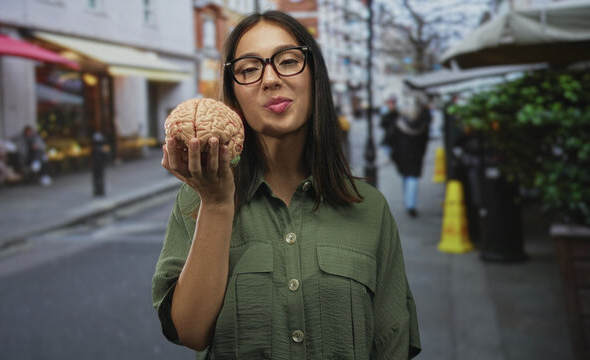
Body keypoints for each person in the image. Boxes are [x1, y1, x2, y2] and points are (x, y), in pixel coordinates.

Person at [152, 11, 421, 359]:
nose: (270, 79)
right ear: (233, 92)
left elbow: (392, 344)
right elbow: (191, 332)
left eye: (288, 61)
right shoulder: (198, 198)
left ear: (315, 76)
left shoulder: (369, 207)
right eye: (249, 69)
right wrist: (217, 205)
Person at [391, 93, 431, 218]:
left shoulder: (398, 123)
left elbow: (390, 138)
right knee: (412, 178)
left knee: (406, 177)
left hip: (402, 155)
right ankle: (410, 204)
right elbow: (425, 141)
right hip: (415, 155)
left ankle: (408, 201)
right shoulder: (422, 124)